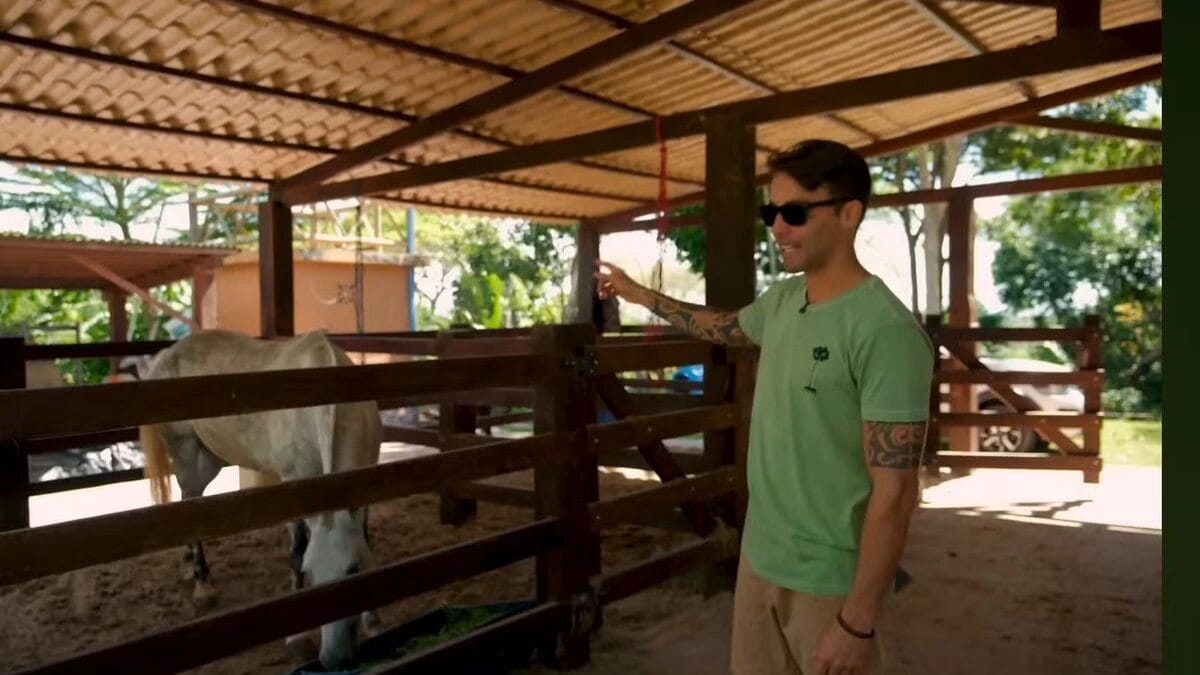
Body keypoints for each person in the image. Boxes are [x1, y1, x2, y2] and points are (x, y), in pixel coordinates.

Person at [595, 139, 933, 675]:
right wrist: (640, 296)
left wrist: (858, 621)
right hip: (761, 558)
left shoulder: (886, 332)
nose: (777, 228)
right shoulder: (782, 301)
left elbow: (895, 492)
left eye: (794, 213)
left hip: (828, 580)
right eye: (770, 212)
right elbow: (723, 326)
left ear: (849, 214)